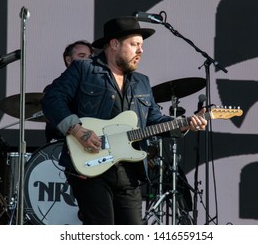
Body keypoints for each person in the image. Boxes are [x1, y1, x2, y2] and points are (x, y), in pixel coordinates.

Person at [41, 16, 208, 225]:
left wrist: (184, 123)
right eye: (134, 44)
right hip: (90, 166)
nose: (141, 50)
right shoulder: (84, 70)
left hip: (129, 171)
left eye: (142, 45)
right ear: (114, 44)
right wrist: (77, 130)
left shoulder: (142, 82)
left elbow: (154, 119)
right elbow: (51, 98)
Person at [44, 40, 94, 142]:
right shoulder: (54, 90)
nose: (87, 61)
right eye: (82, 56)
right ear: (68, 60)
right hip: (65, 144)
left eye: (89, 58)